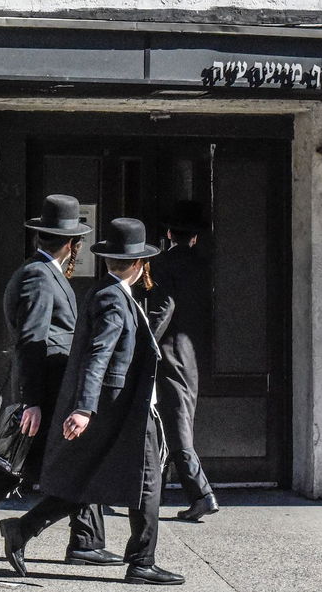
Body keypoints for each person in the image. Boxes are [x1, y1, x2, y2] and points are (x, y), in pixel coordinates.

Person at [0, 195, 119, 566]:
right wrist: (31, 399)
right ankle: (79, 540)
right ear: (71, 244)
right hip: (47, 391)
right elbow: (31, 341)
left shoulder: (42, 272)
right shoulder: (38, 277)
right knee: (76, 462)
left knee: (18, 465)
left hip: (51, 388)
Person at [0, 217, 185, 586]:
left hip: (114, 407)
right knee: (148, 483)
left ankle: (23, 529)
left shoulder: (107, 293)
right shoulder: (114, 300)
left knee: (90, 478)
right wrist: (83, 408)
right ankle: (142, 562)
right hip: (121, 411)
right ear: (138, 263)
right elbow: (97, 356)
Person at [147, 200, 218, 521]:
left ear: (170, 233)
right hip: (192, 352)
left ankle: (201, 493)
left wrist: (144, 343)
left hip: (170, 351)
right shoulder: (205, 265)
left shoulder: (162, 265)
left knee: (175, 424)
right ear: (196, 237)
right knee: (175, 419)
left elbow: (162, 308)